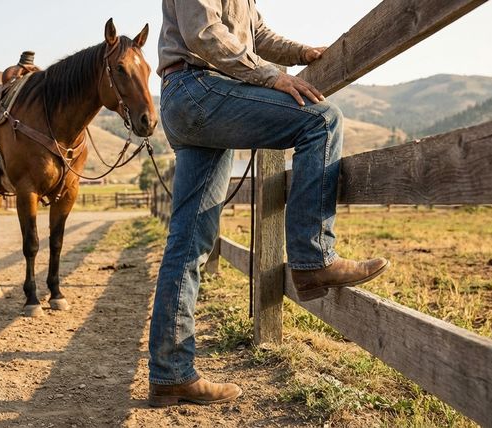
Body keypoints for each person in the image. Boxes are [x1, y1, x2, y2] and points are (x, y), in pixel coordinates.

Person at [148, 0, 390, 407]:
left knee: (189, 242)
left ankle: (171, 374)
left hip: (194, 94)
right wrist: (271, 75)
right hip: (199, 88)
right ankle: (313, 259)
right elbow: (204, 33)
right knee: (322, 120)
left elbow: (256, 34)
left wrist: (299, 53)